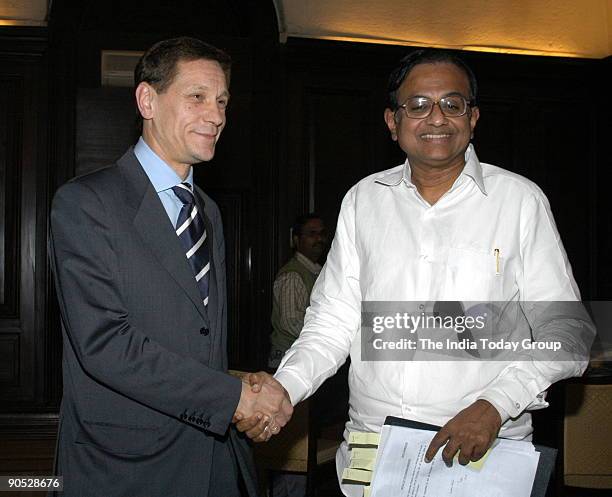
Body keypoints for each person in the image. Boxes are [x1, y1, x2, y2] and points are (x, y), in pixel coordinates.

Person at [239, 49, 593, 496]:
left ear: (474, 116)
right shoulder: (363, 200)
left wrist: (495, 405)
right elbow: (332, 323)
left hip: (481, 455)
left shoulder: (519, 201)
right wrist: (284, 387)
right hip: (373, 449)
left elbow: (570, 331)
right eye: (418, 105)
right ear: (392, 121)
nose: (436, 118)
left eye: (452, 103)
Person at [48, 36, 291, 497]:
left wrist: (237, 383)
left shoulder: (209, 212)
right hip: (125, 465)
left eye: (222, 101)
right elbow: (105, 344)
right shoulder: (85, 203)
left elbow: (197, 342)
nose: (216, 116)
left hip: (213, 458)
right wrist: (234, 397)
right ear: (147, 99)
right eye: (197, 97)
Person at [269, 213, 327, 368]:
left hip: (305, 361)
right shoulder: (293, 275)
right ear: (296, 240)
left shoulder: (320, 272)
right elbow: (291, 323)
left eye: (322, 234)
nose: (319, 239)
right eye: (312, 234)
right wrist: (328, 334)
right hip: (290, 362)